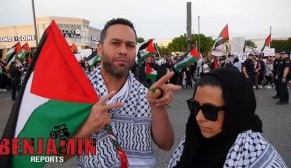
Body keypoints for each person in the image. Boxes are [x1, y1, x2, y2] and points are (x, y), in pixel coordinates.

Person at [67, 18, 181, 168]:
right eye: (115, 43)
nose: (123, 50)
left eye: (130, 45)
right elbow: (59, 154)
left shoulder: (144, 95)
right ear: (100, 49)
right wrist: (88, 127)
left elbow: (166, 144)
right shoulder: (79, 93)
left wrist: (156, 106)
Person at [168, 68, 287, 168]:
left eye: (210, 110)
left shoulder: (261, 161)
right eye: (194, 106)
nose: (198, 118)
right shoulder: (192, 139)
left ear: (236, 111)